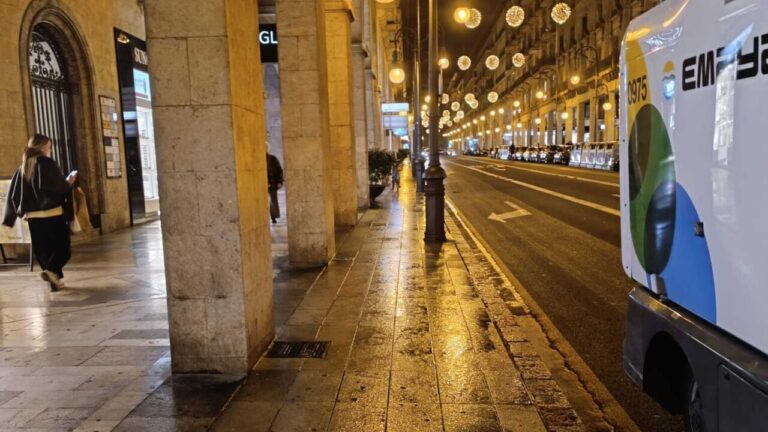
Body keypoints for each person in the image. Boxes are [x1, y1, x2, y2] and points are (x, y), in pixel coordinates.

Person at [3, 134, 76, 291]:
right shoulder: (48, 164)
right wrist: (69, 183)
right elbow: (60, 189)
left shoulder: (22, 168)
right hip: (53, 214)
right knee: (63, 249)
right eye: (49, 147)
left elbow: (13, 195)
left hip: (33, 218)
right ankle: (51, 272)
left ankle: (54, 282)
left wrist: (10, 217)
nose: (50, 150)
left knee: (45, 252)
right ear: (43, 148)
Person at [266, 149, 284, 224]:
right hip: (263, 184)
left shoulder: (273, 159)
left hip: (272, 184)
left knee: (273, 201)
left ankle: (273, 217)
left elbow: (279, 170)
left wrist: (280, 181)